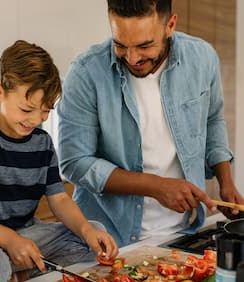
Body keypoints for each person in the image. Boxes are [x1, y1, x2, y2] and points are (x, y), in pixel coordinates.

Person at [57, 0, 244, 248]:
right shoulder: (86, 73)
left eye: (145, 45)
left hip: (183, 233)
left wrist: (226, 182)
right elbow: (74, 163)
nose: (132, 58)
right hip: (105, 239)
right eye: (120, 45)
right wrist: (155, 186)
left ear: (171, 25)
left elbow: (212, 119)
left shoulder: (202, 58)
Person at [0, 40, 118, 282]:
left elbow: (58, 198)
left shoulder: (43, 142)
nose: (36, 120)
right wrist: (9, 241)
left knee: (94, 235)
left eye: (46, 111)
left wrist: (86, 230)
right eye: (27, 109)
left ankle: (21, 267)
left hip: (26, 234)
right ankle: (16, 268)